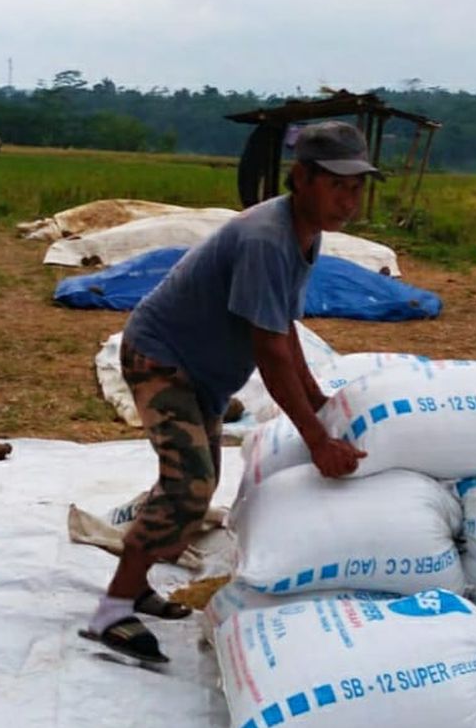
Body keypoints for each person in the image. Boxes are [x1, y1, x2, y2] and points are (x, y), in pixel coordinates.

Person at [86, 121, 376, 662]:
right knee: (188, 485)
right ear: (303, 178)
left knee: (196, 482)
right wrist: (316, 438)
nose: (349, 200)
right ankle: (111, 611)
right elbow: (268, 350)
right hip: (161, 359)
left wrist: (317, 400)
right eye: (338, 185)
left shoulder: (304, 235)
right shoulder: (266, 238)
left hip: (201, 371)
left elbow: (284, 325)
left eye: (357, 187)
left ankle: (137, 583)